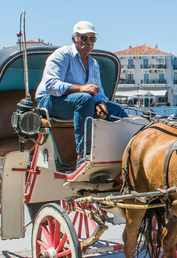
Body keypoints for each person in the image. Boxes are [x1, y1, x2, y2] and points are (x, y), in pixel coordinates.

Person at [35, 20, 128, 166]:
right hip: (49, 102)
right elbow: (51, 85)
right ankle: (83, 155)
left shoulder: (93, 63)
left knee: (118, 111)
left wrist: (100, 102)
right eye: (84, 38)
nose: (89, 42)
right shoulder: (62, 55)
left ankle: (126, 154)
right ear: (75, 39)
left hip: (81, 101)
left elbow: (98, 90)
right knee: (84, 99)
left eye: (93, 38)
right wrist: (80, 88)